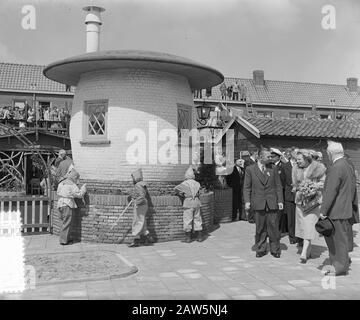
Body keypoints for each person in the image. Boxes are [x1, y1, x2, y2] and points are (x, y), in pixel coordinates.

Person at [320, 141, 359, 276]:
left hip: (336, 210)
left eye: (327, 153)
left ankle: (339, 267)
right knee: (340, 240)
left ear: (330, 153)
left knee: (338, 241)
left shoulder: (336, 167)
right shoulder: (347, 165)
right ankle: (339, 262)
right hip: (344, 208)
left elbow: (331, 191)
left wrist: (323, 210)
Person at [243, 149, 284, 258]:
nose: (271, 159)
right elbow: (247, 187)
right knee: (260, 228)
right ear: (260, 157)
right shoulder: (250, 169)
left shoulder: (273, 168)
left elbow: (278, 186)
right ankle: (261, 249)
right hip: (258, 202)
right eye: (268, 157)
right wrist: (247, 201)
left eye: (271, 157)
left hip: (272, 202)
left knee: (273, 227)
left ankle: (275, 249)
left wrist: (280, 201)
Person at [292, 149, 326, 263]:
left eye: (299, 160)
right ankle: (308, 250)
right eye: (296, 160)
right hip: (300, 202)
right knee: (304, 227)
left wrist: (313, 186)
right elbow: (295, 184)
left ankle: (304, 252)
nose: (297, 162)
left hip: (313, 202)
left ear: (307, 159)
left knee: (309, 226)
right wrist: (297, 188)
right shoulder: (296, 169)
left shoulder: (319, 168)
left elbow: (323, 182)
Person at [56, 168, 86, 245]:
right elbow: (79, 195)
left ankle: (64, 239)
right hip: (67, 205)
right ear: (74, 177)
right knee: (67, 223)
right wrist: (83, 189)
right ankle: (64, 241)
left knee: (63, 223)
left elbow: (58, 192)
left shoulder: (61, 183)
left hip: (60, 204)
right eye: (77, 178)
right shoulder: (72, 185)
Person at [175, 167, 204, 243]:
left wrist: (182, 194)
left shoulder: (184, 183)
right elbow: (200, 192)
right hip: (197, 203)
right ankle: (200, 237)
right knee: (198, 219)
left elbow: (176, 189)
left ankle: (188, 238)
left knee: (188, 220)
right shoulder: (197, 183)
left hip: (188, 203)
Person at [127, 169, 151, 247]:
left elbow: (141, 196)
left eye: (133, 178)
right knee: (142, 221)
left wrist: (136, 202)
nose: (132, 180)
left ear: (136, 177)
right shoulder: (142, 184)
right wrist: (132, 194)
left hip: (140, 205)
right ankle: (147, 237)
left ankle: (136, 240)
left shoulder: (138, 185)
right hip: (144, 205)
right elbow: (141, 194)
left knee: (137, 221)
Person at [280, 148, 299, 244]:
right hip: (289, 194)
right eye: (296, 153)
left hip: (300, 195)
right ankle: (292, 237)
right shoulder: (284, 166)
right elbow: (282, 181)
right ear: (291, 154)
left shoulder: (301, 165)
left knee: (299, 217)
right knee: (291, 217)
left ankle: (300, 237)